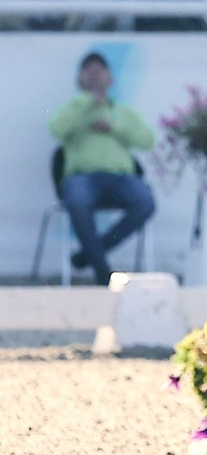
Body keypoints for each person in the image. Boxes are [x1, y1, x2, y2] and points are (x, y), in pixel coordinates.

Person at [46, 52, 156, 285]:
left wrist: (114, 128)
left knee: (145, 201)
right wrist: (88, 102)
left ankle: (90, 254)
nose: (95, 75)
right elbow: (56, 129)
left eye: (100, 70)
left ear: (111, 79)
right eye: (89, 70)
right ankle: (102, 269)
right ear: (80, 79)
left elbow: (147, 140)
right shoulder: (74, 108)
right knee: (77, 200)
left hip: (121, 179)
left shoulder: (122, 112)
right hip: (83, 178)